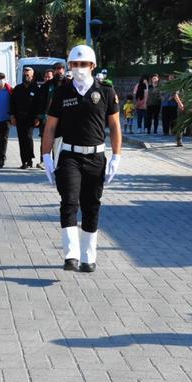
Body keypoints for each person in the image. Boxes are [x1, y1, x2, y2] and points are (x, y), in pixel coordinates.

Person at [41, 45, 121, 273]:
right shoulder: (62, 92)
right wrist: (46, 155)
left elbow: (115, 126)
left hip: (95, 156)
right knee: (69, 202)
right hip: (69, 156)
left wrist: (116, 155)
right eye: (74, 64)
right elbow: (51, 127)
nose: (78, 68)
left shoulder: (105, 91)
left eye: (83, 64)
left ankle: (88, 256)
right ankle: (71, 255)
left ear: (92, 66)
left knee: (91, 205)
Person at [10, 67, 40, 169]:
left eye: (28, 75)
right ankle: (24, 161)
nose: (25, 77)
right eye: (24, 75)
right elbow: (12, 103)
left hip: (30, 118)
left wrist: (37, 118)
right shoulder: (18, 88)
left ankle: (30, 158)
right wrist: (12, 116)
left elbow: (38, 105)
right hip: (19, 118)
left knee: (28, 138)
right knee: (21, 140)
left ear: (32, 77)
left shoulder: (36, 89)